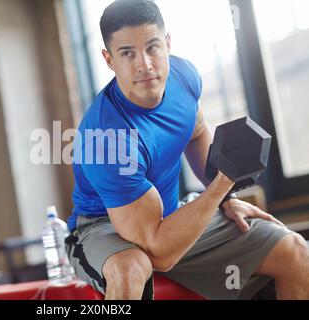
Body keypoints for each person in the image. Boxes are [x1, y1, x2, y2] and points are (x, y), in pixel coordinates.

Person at [65, 0, 309, 300]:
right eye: (127, 53)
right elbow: (159, 252)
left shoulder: (183, 77)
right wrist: (221, 187)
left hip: (167, 215)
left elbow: (196, 132)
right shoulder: (105, 139)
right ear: (109, 60)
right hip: (103, 228)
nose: (145, 64)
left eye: (152, 47)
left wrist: (226, 197)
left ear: (167, 43)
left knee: (295, 251)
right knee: (131, 268)